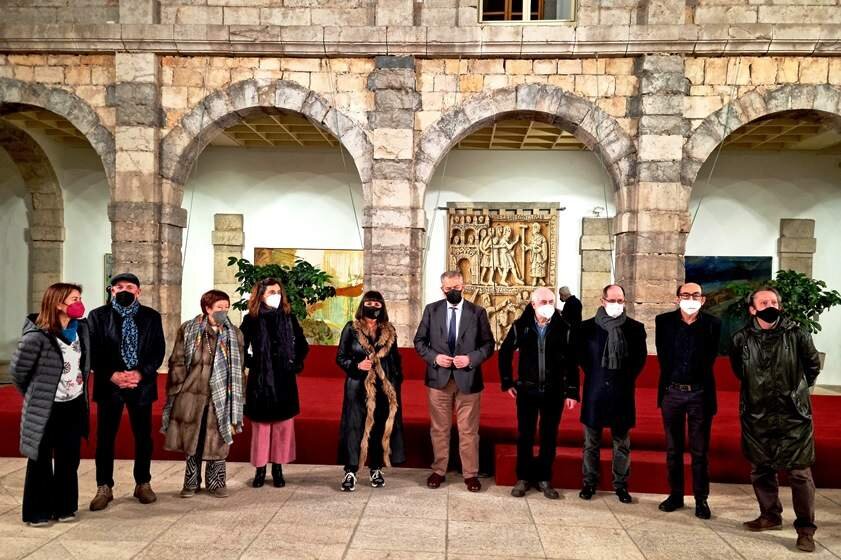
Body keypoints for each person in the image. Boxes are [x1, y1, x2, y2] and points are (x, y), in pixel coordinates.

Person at [729, 287, 821, 553]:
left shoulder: (797, 333)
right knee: (761, 468)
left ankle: (805, 530)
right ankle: (770, 515)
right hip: (757, 413)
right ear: (752, 309)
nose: (769, 305)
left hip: (793, 414)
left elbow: (812, 366)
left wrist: (797, 392)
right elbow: (739, 370)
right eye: (763, 302)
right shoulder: (741, 339)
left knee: (800, 473)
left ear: (779, 306)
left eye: (773, 301)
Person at [11, 283, 90, 526]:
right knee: (41, 459)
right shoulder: (37, 336)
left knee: (69, 458)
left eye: (79, 297)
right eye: (73, 298)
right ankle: (38, 512)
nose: (79, 302)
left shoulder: (81, 331)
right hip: (46, 407)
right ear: (58, 303)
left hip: (74, 404)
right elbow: (18, 372)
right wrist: (39, 393)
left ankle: (65, 507)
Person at [88, 273, 165, 511]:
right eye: (119, 286)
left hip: (140, 383)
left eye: (130, 287)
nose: (124, 290)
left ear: (138, 292)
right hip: (109, 383)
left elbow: (158, 350)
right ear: (111, 290)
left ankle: (143, 482)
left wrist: (140, 373)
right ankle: (104, 486)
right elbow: (92, 350)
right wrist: (112, 374)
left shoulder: (151, 316)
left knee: (143, 436)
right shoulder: (98, 316)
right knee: (105, 437)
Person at [414, 271, 494, 492]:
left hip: (468, 379)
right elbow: (419, 341)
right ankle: (439, 470)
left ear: (463, 286)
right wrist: (434, 357)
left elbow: (488, 345)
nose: (453, 292)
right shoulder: (432, 310)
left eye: (457, 288)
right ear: (442, 289)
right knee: (439, 429)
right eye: (449, 289)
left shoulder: (477, 312)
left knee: (468, 430)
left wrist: (470, 359)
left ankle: (470, 474)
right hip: (438, 378)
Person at [162, 290, 245, 498]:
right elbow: (177, 360)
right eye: (219, 308)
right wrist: (179, 387)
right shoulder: (189, 329)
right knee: (194, 438)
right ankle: (191, 482)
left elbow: (240, 367)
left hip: (221, 394)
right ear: (207, 308)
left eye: (226, 307)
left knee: (218, 439)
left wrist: (238, 394)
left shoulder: (234, 334)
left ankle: (216, 483)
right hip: (192, 393)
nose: (224, 311)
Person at [498, 287, 578, 499]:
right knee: (525, 434)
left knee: (549, 435)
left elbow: (572, 362)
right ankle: (523, 477)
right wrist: (507, 381)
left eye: (551, 301)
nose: (548, 305)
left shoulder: (565, 328)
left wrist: (572, 391)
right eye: (543, 302)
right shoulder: (521, 326)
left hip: (554, 392)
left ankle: (544, 478)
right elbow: (505, 353)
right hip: (528, 390)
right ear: (533, 304)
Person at [655, 283, 721, 519]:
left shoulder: (713, 324)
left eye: (695, 295)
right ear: (677, 299)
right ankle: (676, 494)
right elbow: (663, 355)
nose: (690, 298)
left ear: (702, 300)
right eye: (685, 295)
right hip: (672, 392)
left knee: (700, 450)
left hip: (700, 394)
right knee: (673, 449)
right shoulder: (663, 322)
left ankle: (701, 499)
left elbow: (711, 357)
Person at [576, 284, 647, 503]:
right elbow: (583, 360)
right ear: (602, 301)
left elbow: (639, 361)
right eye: (612, 300)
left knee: (622, 443)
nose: (617, 305)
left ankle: (621, 485)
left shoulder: (635, 328)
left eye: (620, 301)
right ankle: (589, 483)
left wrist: (622, 378)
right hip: (595, 392)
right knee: (591, 443)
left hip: (622, 392)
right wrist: (599, 376)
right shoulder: (585, 328)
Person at [241, 277, 309, 488]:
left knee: (282, 425)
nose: (276, 295)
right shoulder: (251, 319)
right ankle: (260, 470)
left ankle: (278, 468)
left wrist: (295, 363)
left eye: (278, 292)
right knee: (261, 426)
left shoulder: (289, 317)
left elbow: (303, 344)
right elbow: (240, 345)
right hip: (261, 379)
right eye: (271, 292)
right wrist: (253, 362)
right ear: (260, 295)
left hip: (283, 378)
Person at [335, 291, 405, 492]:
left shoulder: (389, 331)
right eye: (369, 302)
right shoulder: (351, 329)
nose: (373, 306)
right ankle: (350, 471)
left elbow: (396, 360)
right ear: (363, 305)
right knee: (355, 426)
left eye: (377, 303)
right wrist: (356, 365)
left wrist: (395, 382)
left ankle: (376, 468)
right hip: (357, 386)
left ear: (382, 306)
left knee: (379, 427)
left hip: (384, 388)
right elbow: (340, 357)